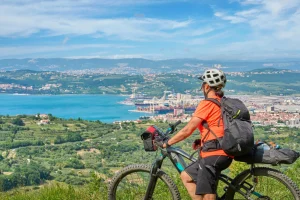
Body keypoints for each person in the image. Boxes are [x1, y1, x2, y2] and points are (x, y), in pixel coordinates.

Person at [158, 69, 233, 200]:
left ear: (207, 86)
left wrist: (167, 143)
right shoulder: (223, 102)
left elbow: (188, 130)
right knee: (186, 176)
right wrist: (203, 140)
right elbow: (219, 127)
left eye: (203, 85)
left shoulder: (207, 103)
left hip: (214, 154)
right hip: (222, 150)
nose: (202, 88)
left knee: (208, 195)